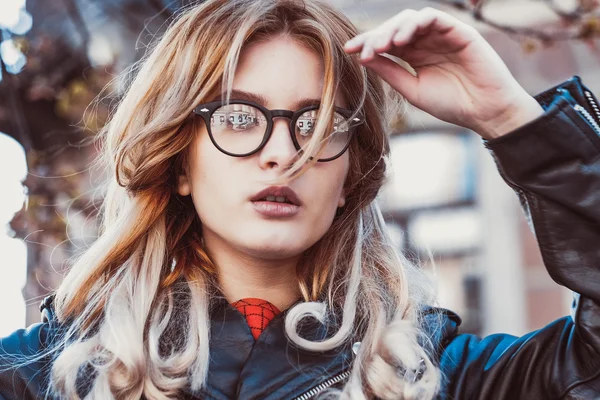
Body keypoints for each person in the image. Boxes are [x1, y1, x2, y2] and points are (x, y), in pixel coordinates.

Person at [1, 0, 599, 398]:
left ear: (349, 178)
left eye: (318, 123)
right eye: (239, 117)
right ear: (178, 161)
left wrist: (510, 117)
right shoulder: (42, 377)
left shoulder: (440, 378)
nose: (283, 151)